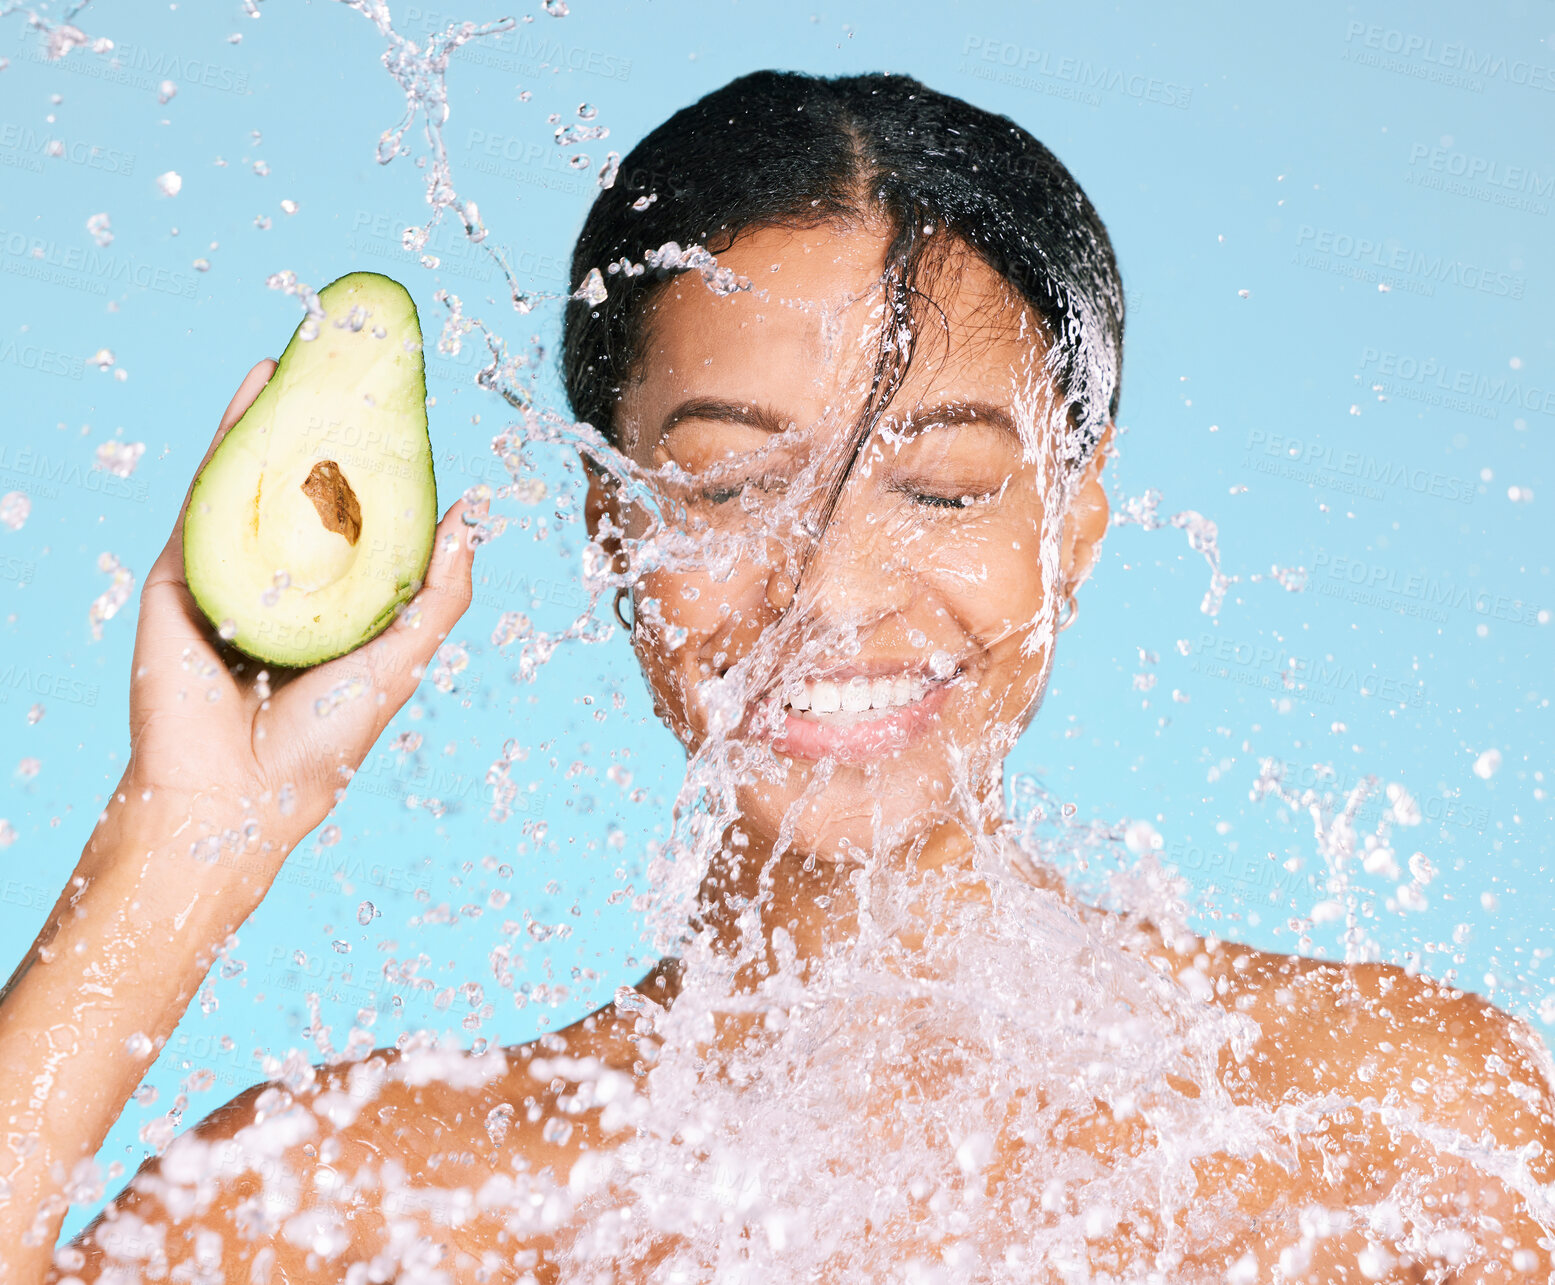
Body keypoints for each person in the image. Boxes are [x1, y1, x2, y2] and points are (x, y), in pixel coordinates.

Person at [2, 71, 1551, 1283]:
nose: (833, 589)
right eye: (729, 488)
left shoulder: (1381, 1122)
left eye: (941, 487)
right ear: (614, 528)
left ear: (1068, 534)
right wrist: (184, 834)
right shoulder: (393, 1196)